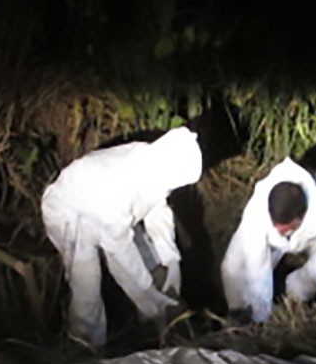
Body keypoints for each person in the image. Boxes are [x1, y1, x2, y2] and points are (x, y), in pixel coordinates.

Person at [40, 126, 202, 347]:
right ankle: (85, 346)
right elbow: (118, 247)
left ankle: (153, 326)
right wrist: (146, 287)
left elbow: (158, 209)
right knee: (87, 284)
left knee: (144, 260)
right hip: (69, 212)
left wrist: (170, 258)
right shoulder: (122, 182)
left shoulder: (155, 161)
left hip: (107, 212)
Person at [221, 157, 316, 323]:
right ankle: (239, 314)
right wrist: (261, 317)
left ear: (302, 214)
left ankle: (294, 294)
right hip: (267, 236)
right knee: (232, 266)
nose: (281, 231)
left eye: (287, 228)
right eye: (277, 226)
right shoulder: (256, 210)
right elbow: (257, 265)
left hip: (314, 236)